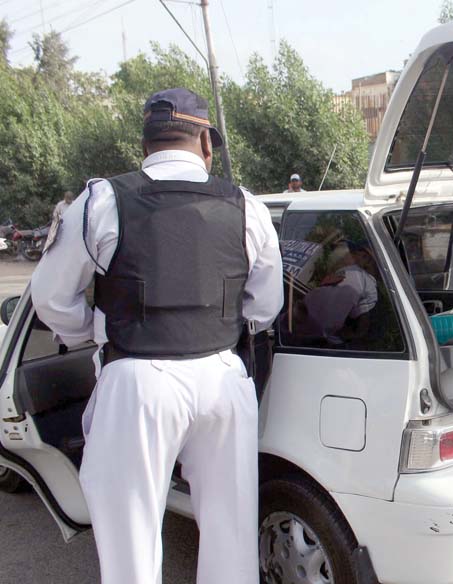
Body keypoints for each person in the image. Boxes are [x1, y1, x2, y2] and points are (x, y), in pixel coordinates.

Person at [30, 88, 283, 584]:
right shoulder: (246, 206)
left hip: (137, 381)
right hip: (223, 380)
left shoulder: (103, 199)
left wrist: (99, 331)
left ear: (144, 146)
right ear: (206, 143)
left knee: (131, 543)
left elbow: (50, 298)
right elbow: (265, 307)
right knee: (231, 536)